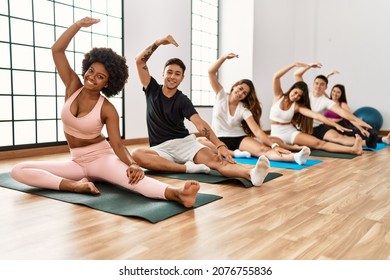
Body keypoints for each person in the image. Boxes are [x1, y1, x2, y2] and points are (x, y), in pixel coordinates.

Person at [10, 17, 200, 208]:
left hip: (102, 158)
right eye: (91, 71)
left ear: (107, 83)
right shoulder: (72, 86)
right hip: (76, 162)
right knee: (19, 170)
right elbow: (56, 50)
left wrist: (132, 164)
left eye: (100, 77)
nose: (91, 77)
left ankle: (177, 194)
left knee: (132, 180)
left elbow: (117, 144)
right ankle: (76, 186)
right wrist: (77, 26)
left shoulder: (107, 108)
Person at [131, 35, 270, 186]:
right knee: (136, 155)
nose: (172, 76)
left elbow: (199, 124)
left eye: (177, 74)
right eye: (169, 72)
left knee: (216, 161)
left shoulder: (182, 100)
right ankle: (187, 168)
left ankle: (250, 174)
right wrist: (158, 42)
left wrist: (220, 145)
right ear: (163, 74)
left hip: (184, 144)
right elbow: (139, 61)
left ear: (182, 78)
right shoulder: (152, 89)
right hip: (160, 149)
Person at [199, 53, 311, 165]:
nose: (241, 93)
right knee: (199, 141)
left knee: (264, 150)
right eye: (240, 88)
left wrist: (274, 145)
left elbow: (257, 131)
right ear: (234, 87)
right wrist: (224, 58)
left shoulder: (243, 109)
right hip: (218, 139)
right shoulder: (221, 95)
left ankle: (295, 157)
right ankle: (235, 154)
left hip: (239, 139)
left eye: (244, 93)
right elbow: (211, 72)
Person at [269, 62, 363, 155]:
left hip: (291, 132)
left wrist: (335, 125)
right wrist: (293, 64)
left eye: (299, 96)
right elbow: (276, 76)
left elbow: (317, 116)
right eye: (295, 92)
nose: (296, 96)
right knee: (271, 142)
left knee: (320, 144)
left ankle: (353, 149)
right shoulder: (278, 96)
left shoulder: (297, 106)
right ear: (291, 89)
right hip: (275, 133)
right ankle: (292, 147)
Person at [293, 63, 374, 148]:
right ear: (313, 84)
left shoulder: (326, 101)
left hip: (317, 127)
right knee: (313, 143)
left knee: (339, 137)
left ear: (326, 87)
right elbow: (297, 74)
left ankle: (367, 143)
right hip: (302, 129)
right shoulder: (305, 93)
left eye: (322, 84)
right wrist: (309, 66)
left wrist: (359, 121)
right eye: (316, 83)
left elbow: (341, 112)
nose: (318, 86)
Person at [324, 84, 390, 145]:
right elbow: (321, 90)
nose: (335, 93)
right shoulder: (326, 101)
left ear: (341, 94)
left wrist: (361, 129)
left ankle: (383, 139)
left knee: (359, 134)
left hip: (341, 127)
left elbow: (351, 119)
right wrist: (327, 77)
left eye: (338, 92)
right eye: (334, 91)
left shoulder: (343, 105)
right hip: (327, 126)